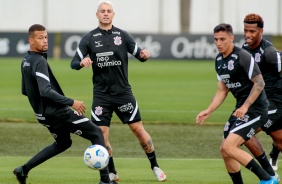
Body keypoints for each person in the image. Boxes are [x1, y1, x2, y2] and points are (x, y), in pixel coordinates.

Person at [70, 0, 166, 182]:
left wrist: (145, 55)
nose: (106, 14)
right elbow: (73, 62)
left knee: (138, 130)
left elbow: (140, 54)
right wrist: (81, 63)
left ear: (113, 15)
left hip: (123, 94)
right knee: (101, 134)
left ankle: (155, 165)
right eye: (102, 11)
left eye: (109, 11)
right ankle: (112, 172)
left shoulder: (122, 35)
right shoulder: (89, 38)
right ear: (97, 15)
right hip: (101, 96)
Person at [13, 24, 117, 184]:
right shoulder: (39, 61)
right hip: (59, 113)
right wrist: (71, 102)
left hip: (43, 116)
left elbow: (25, 90)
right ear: (31, 41)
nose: (45, 41)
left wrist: (41, 108)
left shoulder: (26, 60)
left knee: (63, 143)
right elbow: (45, 91)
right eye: (40, 38)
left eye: (46, 37)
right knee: (96, 133)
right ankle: (105, 180)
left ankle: (23, 169)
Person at [196, 23, 278, 184]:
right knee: (225, 150)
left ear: (231, 38)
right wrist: (209, 110)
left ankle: (268, 180)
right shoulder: (219, 60)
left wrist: (245, 106)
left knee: (229, 146)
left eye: (222, 39)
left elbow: (260, 83)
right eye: (215, 40)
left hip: (256, 109)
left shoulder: (242, 56)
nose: (218, 43)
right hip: (241, 110)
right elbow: (222, 91)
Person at [242, 14, 282, 175]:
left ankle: (268, 175)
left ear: (261, 31)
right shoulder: (244, 49)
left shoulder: (269, 52)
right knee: (279, 142)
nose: (248, 34)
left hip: (274, 102)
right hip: (262, 102)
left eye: (252, 31)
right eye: (245, 30)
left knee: (241, 132)